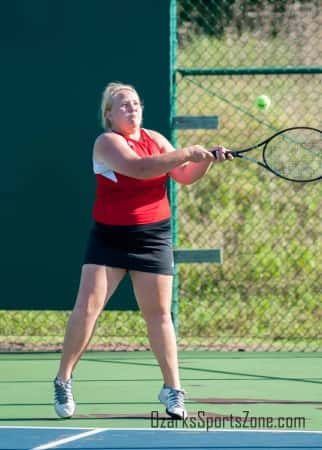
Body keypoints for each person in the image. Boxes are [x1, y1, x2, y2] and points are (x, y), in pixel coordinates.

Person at [53, 82, 232, 420]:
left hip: (153, 237)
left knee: (160, 315)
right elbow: (139, 169)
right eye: (123, 105)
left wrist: (206, 160)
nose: (132, 108)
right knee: (87, 308)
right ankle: (63, 378)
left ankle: (172, 390)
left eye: (135, 103)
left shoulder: (157, 139)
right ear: (109, 114)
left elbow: (183, 175)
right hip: (110, 238)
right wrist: (188, 151)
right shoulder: (106, 142)